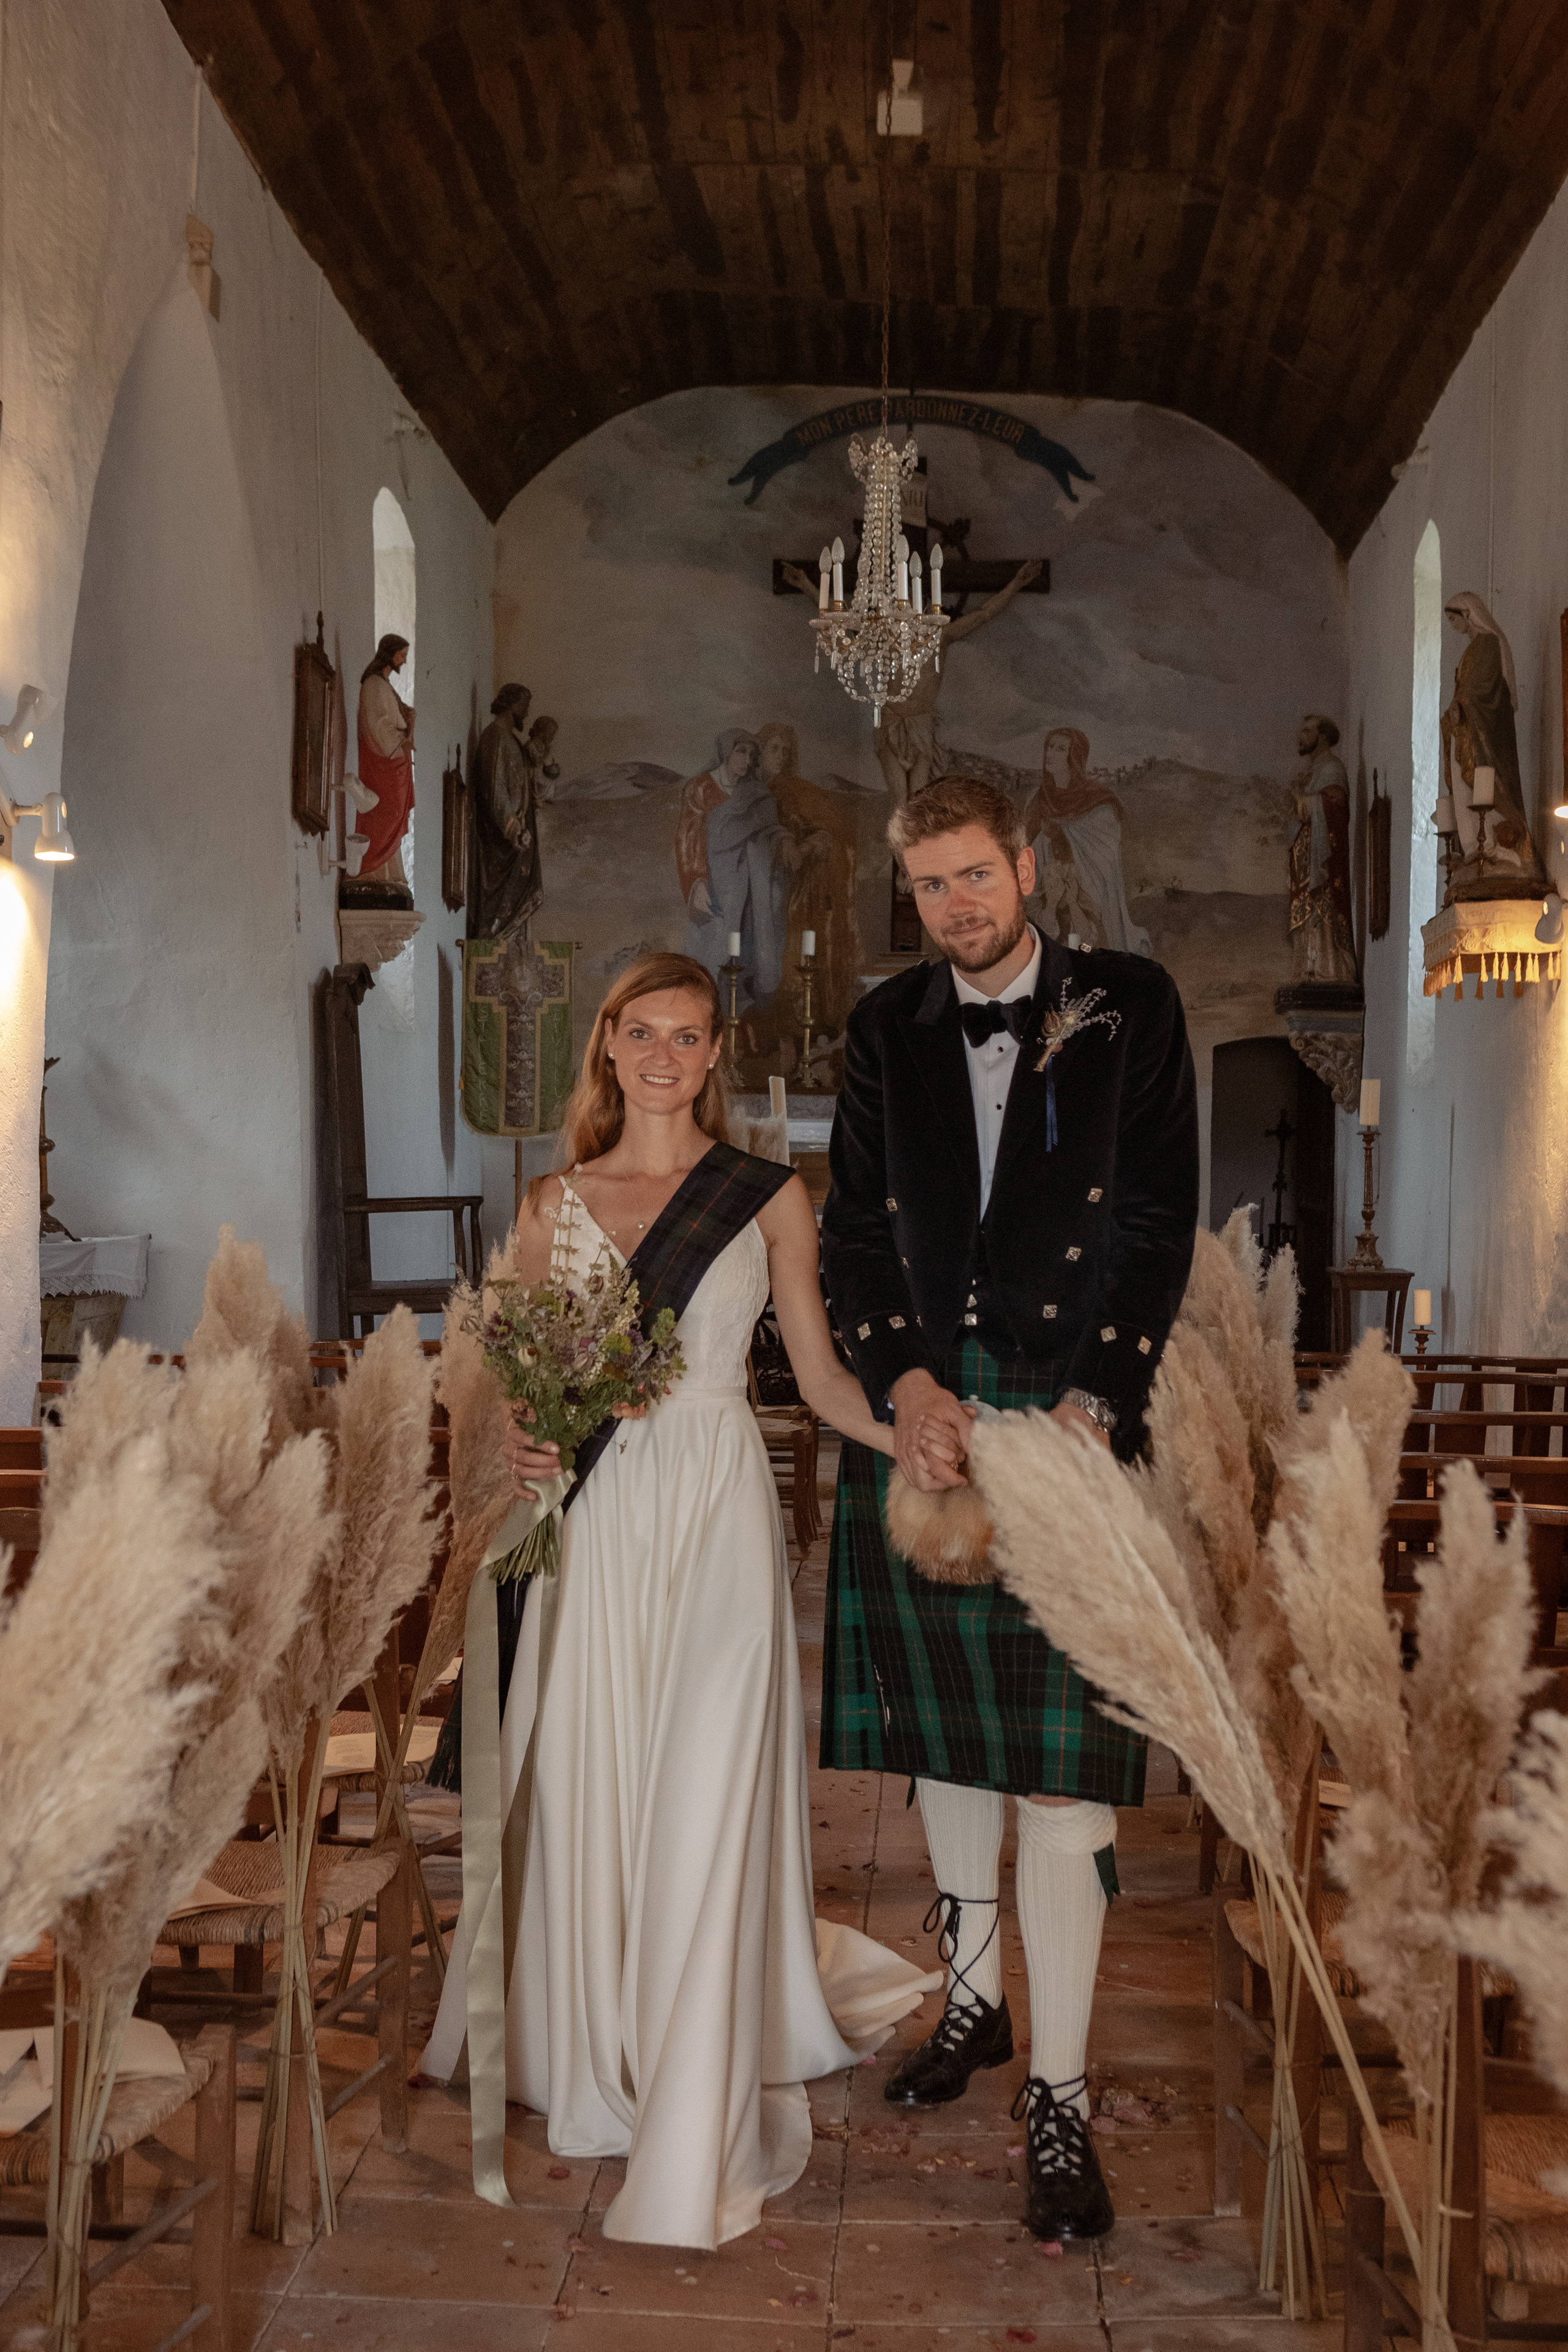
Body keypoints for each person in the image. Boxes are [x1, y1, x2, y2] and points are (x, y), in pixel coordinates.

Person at [420, 951, 938, 2248]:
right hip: (590, 1526)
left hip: (713, 1510)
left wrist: (915, 1441)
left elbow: (816, 1382)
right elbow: (517, 1398)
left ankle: (697, 2068)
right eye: (639, 1032)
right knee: (598, 1779)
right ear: (607, 1046)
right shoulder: (552, 1202)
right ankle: (597, 2032)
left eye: (687, 1035)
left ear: (716, 1054)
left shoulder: (768, 1199)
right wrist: (527, 1448)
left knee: (704, 1778)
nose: (662, 1055)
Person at [819, 774, 1198, 2244]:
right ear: (906, 894)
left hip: (1064, 1400)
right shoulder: (880, 1029)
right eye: (928, 886)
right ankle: (971, 2001)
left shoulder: (1127, 1002)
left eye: (975, 875)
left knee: (1057, 1768)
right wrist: (901, 1378)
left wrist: (1097, 1399)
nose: (957, 907)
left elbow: (1153, 1209)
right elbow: (854, 1225)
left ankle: (1059, 2092)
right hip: (932, 1403)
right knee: (943, 1737)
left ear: (1025, 865)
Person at [756, 720, 862, 1041]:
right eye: (774, 749)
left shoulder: (798, 791)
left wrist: (811, 844)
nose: (780, 757)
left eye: (785, 751)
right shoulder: (751, 795)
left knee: (799, 956)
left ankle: (808, 1028)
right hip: (761, 889)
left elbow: (837, 834)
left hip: (803, 893)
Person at [676, 729, 794, 1014]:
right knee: (714, 947)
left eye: (752, 755)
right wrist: (698, 882)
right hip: (719, 885)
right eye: (741, 752)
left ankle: (745, 1009)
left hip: (755, 888)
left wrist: (783, 839)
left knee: (753, 944)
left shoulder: (755, 792)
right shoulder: (702, 787)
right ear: (726, 753)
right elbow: (689, 839)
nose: (746, 760)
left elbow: (770, 829)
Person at [1440, 592, 1546, 897]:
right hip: (1468, 728)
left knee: (1486, 781)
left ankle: (1502, 846)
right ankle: (1477, 848)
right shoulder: (1474, 648)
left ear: (1468, 614)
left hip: (1484, 735)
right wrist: (1452, 714)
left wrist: (1459, 706)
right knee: (1467, 783)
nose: (1453, 626)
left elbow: (1481, 692)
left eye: (1454, 619)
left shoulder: (1486, 644)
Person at [1023, 726, 1150, 956]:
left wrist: (1060, 835)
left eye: (1061, 749)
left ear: (1075, 756)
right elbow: (1024, 850)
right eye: (1049, 747)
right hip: (1045, 891)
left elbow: (1103, 860)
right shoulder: (1038, 800)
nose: (1051, 753)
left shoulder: (1098, 803)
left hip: (1083, 895)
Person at [467, 684, 541, 942]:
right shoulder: (495, 738)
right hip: (502, 843)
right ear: (510, 705)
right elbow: (494, 791)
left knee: (516, 903)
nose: (526, 714)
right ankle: (490, 946)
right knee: (499, 905)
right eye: (524, 707)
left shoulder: (511, 741)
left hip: (514, 840)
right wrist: (514, 830)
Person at [1287, 714, 1357, 983]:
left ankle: (1330, 969)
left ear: (1323, 736)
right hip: (1307, 862)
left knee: (1322, 912)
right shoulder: (1316, 772)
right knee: (1307, 916)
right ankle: (1309, 967)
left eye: (1307, 731)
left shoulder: (1332, 769)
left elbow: (1335, 809)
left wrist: (1304, 802)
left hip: (1324, 864)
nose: (1301, 737)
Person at [355, 633, 415, 895]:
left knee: (395, 815)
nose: (403, 659)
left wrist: (408, 721)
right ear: (389, 654)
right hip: (385, 762)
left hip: (396, 761)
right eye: (401, 654)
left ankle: (391, 872)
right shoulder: (373, 685)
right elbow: (378, 726)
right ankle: (372, 870)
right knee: (386, 814)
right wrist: (403, 736)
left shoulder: (385, 685)